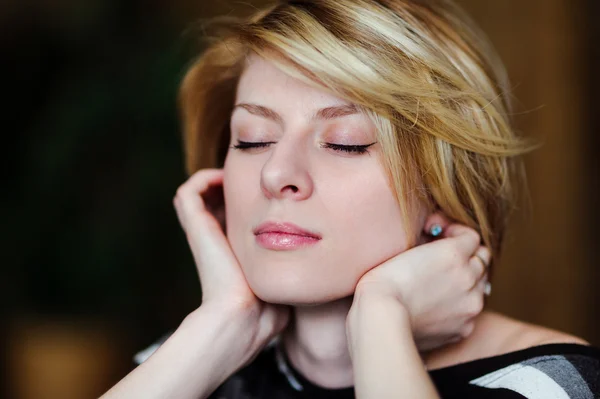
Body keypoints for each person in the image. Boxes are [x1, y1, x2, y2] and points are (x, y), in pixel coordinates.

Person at [100, 0, 600, 397]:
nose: (276, 174)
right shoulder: (186, 364)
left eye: (346, 143)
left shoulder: (544, 381)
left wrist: (381, 314)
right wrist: (224, 324)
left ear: (443, 189)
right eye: (252, 138)